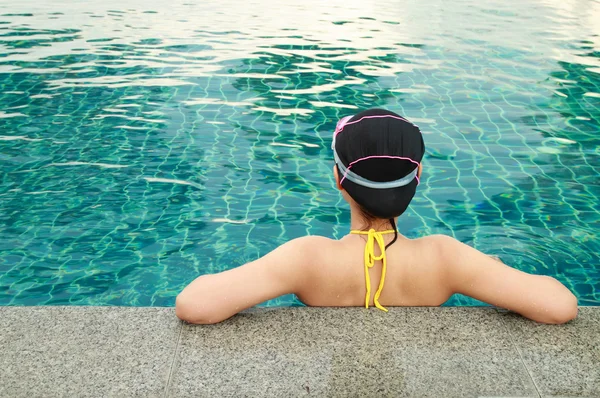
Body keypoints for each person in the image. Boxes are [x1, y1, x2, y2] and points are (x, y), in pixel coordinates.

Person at [175, 108, 578, 325]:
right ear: (418, 176)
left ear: (338, 178)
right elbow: (560, 306)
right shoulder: (444, 258)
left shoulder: (307, 259)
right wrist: (495, 269)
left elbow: (195, 304)